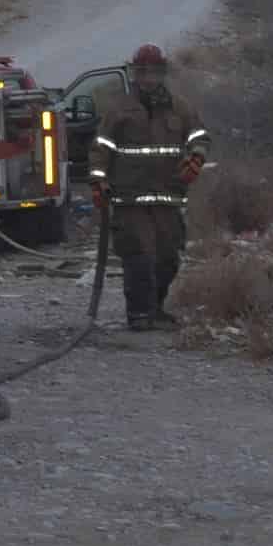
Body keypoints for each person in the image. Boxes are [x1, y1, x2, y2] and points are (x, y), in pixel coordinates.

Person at [88, 43, 209, 331]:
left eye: (153, 73)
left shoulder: (180, 108)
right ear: (135, 74)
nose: (147, 78)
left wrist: (197, 156)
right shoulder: (119, 110)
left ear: (161, 73)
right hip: (130, 198)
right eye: (142, 73)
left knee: (168, 257)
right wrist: (98, 180)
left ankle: (155, 308)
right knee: (139, 256)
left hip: (168, 196)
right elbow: (100, 148)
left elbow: (200, 136)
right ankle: (139, 314)